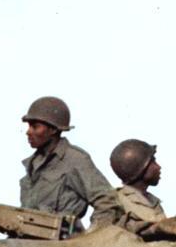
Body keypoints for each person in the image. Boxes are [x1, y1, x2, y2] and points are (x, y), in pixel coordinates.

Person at [18, 95, 115, 230]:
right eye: (29, 126)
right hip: (30, 242)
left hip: (61, 246)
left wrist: (91, 238)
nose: (28, 132)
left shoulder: (75, 160)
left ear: (53, 129)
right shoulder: (33, 163)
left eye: (35, 126)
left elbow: (108, 203)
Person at [90, 139, 176, 241]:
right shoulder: (116, 201)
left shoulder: (152, 201)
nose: (158, 167)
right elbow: (105, 234)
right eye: (153, 162)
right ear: (140, 169)